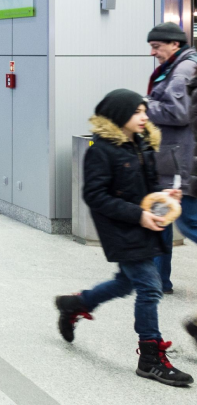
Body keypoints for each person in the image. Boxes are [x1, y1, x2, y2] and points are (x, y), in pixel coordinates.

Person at [55, 89, 192, 387]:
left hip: (143, 226)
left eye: (144, 111)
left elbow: (148, 187)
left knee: (126, 283)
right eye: (137, 112)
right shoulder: (100, 150)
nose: (145, 117)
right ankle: (150, 358)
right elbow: (95, 196)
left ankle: (75, 304)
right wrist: (137, 215)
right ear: (119, 116)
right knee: (150, 287)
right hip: (120, 229)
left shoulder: (141, 144)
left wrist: (163, 196)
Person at [143, 22, 197, 295]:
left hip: (179, 161)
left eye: (157, 46)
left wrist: (143, 106)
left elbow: (178, 113)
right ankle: (157, 280)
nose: (153, 52)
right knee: (160, 218)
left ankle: (157, 280)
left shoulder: (183, 70)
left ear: (174, 44)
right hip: (171, 157)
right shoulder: (176, 66)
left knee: (188, 221)